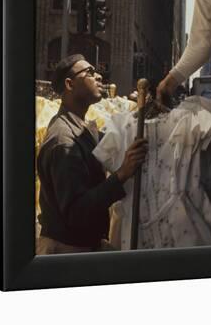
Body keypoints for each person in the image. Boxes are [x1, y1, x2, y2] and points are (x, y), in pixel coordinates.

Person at [36, 54, 148, 254]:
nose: (98, 77)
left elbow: (108, 139)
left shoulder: (79, 126)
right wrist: (122, 174)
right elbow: (77, 212)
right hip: (66, 251)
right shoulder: (63, 141)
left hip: (83, 245)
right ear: (70, 84)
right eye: (89, 72)